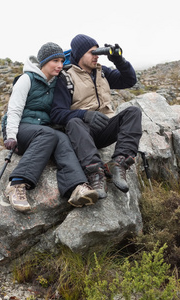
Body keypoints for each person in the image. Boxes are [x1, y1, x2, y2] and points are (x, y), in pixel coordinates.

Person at [3, 42, 98, 211]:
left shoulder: (57, 82)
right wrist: (10, 135)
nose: (60, 65)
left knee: (61, 138)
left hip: (43, 131)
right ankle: (16, 184)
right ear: (44, 62)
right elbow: (14, 109)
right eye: (55, 61)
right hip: (21, 129)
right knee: (49, 134)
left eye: (62, 61)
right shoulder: (27, 79)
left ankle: (77, 187)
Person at [50, 34, 142, 199]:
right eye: (92, 52)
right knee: (74, 122)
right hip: (83, 133)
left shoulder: (102, 72)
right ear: (79, 55)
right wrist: (85, 114)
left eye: (97, 52)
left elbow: (129, 81)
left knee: (133, 112)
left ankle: (118, 163)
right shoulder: (65, 77)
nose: (96, 56)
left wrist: (118, 60)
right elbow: (56, 113)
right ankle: (96, 174)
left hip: (105, 127)